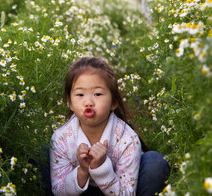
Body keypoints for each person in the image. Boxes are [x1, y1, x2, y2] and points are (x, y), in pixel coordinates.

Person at [48, 57, 170, 196]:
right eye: (80, 94)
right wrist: (82, 170)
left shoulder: (127, 140)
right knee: (39, 155)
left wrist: (101, 168)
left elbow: (127, 194)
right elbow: (58, 191)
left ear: (113, 103)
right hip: (79, 191)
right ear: (70, 103)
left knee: (155, 162)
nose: (88, 102)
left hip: (116, 191)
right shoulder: (61, 138)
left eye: (98, 94)